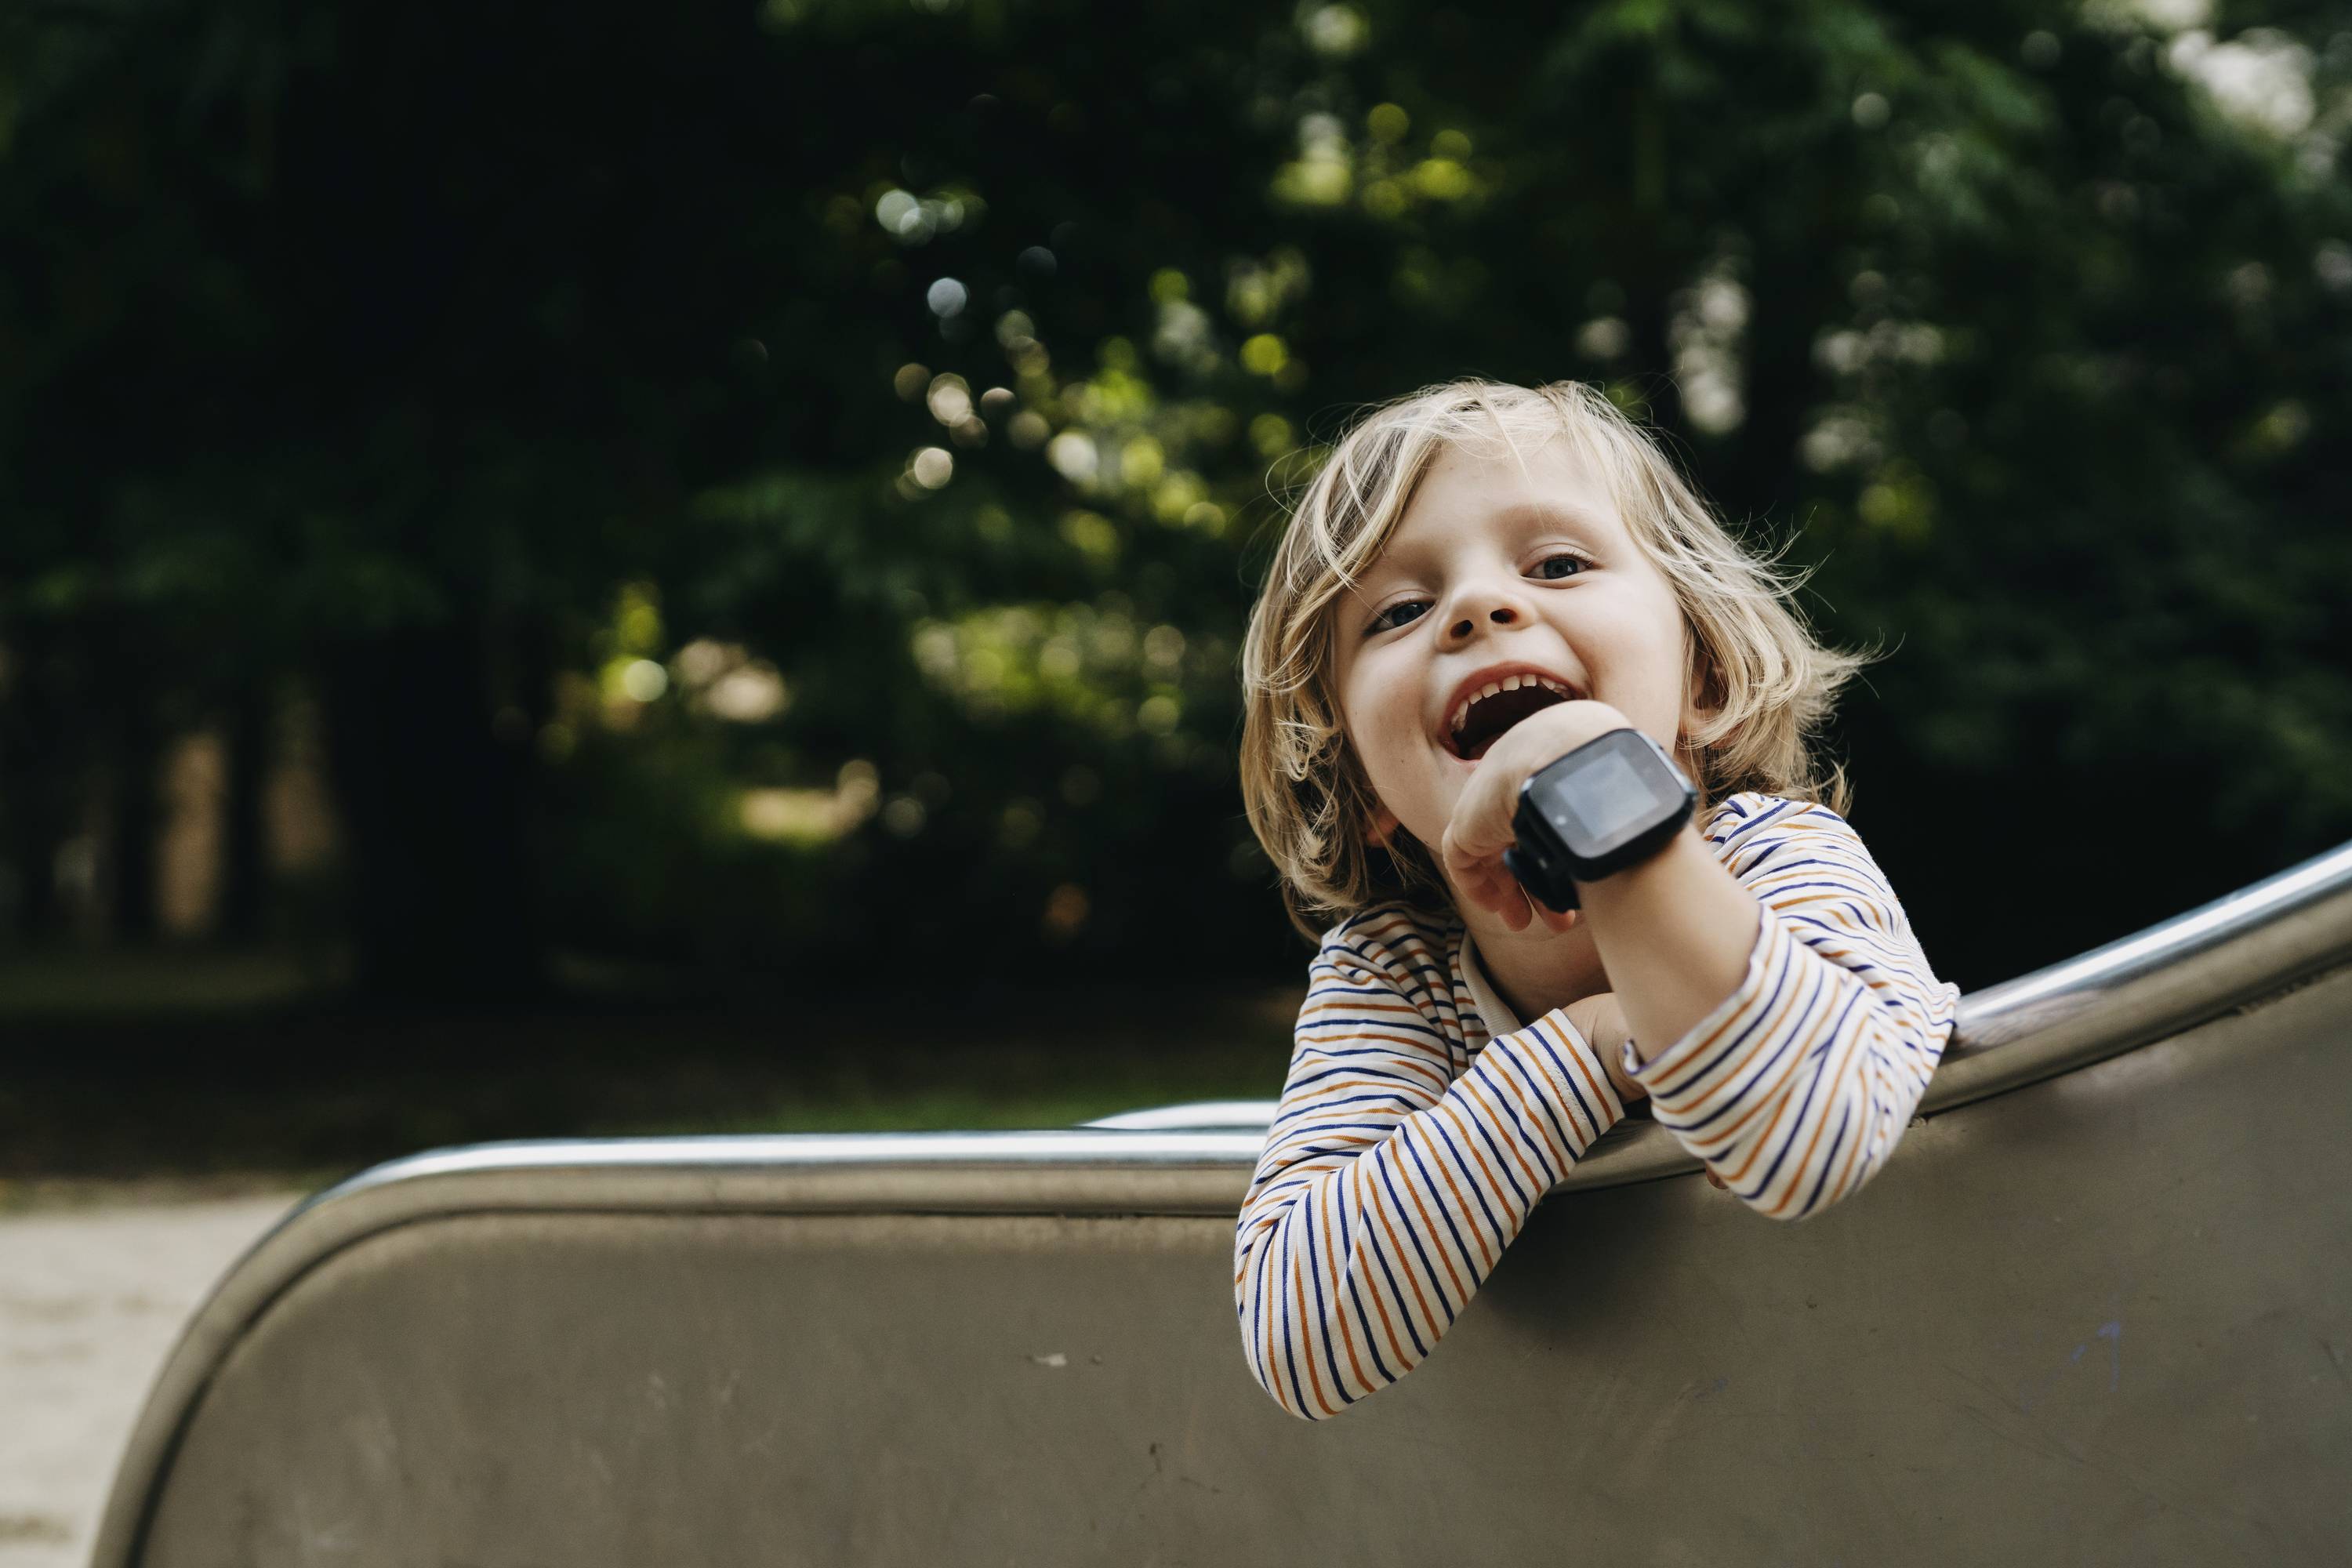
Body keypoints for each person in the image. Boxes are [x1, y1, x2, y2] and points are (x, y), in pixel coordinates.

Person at [1231, 379, 1961, 1421]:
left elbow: (1812, 1137)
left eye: (1559, 565)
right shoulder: (1394, 975)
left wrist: (1603, 808)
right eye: (1399, 610)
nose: (1481, 609)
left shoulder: (1778, 861)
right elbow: (1305, 1343)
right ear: (1361, 788)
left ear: (1701, 676)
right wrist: (1594, 1045)